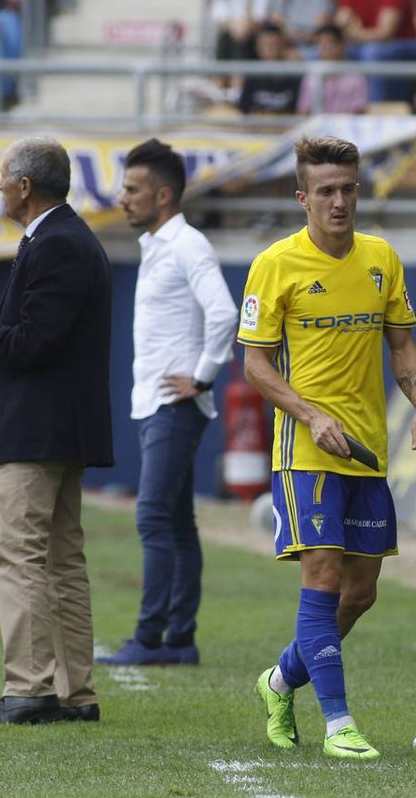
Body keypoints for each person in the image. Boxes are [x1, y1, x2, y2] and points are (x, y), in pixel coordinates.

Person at [238, 136, 416, 760]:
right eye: (325, 190)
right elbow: (255, 365)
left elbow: (402, 344)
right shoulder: (275, 264)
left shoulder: (381, 258)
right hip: (303, 451)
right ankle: (339, 725)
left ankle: (279, 682)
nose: (338, 201)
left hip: (366, 452)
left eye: (348, 189)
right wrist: (308, 414)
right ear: (303, 198)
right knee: (323, 579)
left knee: (361, 593)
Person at [0, 137, 113, 726]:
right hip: (55, 428)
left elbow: (33, 342)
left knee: (23, 554)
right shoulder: (63, 239)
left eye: (3, 178)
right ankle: (72, 690)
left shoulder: (58, 243)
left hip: (38, 429)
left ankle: (30, 688)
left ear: (26, 187)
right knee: (59, 558)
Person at [96, 138, 237, 667]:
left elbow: (224, 314)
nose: (123, 197)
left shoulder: (187, 245)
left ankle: (150, 638)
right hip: (157, 403)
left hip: (174, 406)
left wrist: (201, 379)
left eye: (133, 189)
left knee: (153, 517)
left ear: (164, 195)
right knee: (176, 523)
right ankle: (179, 639)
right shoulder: (160, 245)